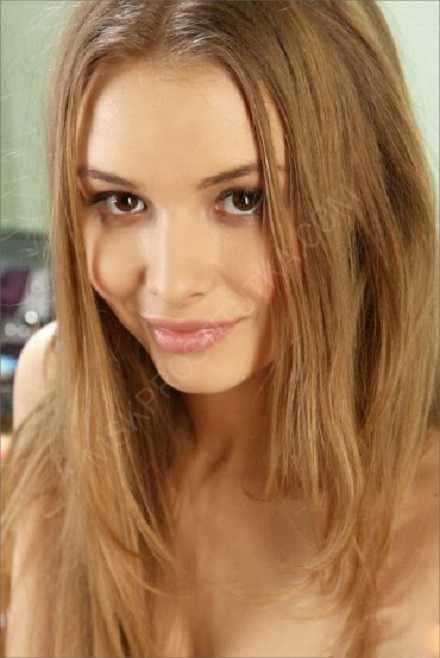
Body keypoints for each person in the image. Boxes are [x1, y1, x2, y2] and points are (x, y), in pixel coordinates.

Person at [1, 1, 439, 656]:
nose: (172, 283)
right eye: (121, 201)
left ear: (364, 198)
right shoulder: (57, 386)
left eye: (244, 199)